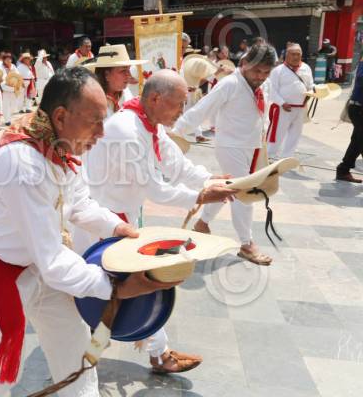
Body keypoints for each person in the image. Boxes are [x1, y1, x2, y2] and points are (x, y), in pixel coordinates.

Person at [0, 66, 179, 396]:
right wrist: (116, 288)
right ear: (60, 116)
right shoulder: (23, 164)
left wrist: (117, 226)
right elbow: (53, 261)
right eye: (94, 122)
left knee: (73, 341)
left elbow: (78, 203)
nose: (101, 132)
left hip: (40, 260)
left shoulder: (58, 144)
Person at [79, 70, 237, 374]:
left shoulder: (147, 123)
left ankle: (123, 351)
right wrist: (202, 195)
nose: (182, 111)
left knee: (127, 287)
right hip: (102, 222)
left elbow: (177, 165)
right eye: (178, 104)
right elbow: (156, 189)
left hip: (123, 216)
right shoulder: (126, 130)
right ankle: (152, 354)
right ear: (155, 99)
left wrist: (210, 180)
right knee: (128, 286)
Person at [174, 43, 278, 266]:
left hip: (254, 145)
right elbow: (201, 109)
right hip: (230, 146)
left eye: (266, 72)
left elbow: (264, 113)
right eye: (256, 70)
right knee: (244, 193)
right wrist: (175, 133)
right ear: (244, 64)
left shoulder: (265, 84)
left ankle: (202, 223)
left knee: (228, 189)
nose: (260, 76)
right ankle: (246, 244)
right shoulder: (230, 84)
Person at [266, 43, 314, 160]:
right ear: (287, 55)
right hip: (283, 108)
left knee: (295, 134)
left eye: (298, 54)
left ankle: (287, 157)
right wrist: (282, 103)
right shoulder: (278, 70)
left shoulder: (306, 68)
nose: (296, 57)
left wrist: (312, 92)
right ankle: (269, 156)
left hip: (301, 108)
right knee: (277, 133)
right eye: (293, 54)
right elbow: (271, 89)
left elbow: (310, 85)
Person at [85, 44, 140, 116]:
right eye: (123, 70)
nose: (129, 75)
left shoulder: (126, 93)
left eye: (128, 69)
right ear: (106, 75)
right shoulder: (92, 102)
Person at [336, 54, 363, 183]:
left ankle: (343, 170)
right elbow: (361, 79)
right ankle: (343, 170)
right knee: (359, 140)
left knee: (357, 141)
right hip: (359, 109)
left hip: (358, 108)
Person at [0, 51, 19, 125]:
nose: (8, 60)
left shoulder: (13, 66)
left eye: (10, 59)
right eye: (7, 59)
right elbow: (1, 78)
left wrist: (16, 82)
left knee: (13, 105)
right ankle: (7, 120)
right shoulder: (1, 67)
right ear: (4, 60)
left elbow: (18, 75)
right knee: (6, 105)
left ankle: (9, 117)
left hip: (13, 87)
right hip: (5, 87)